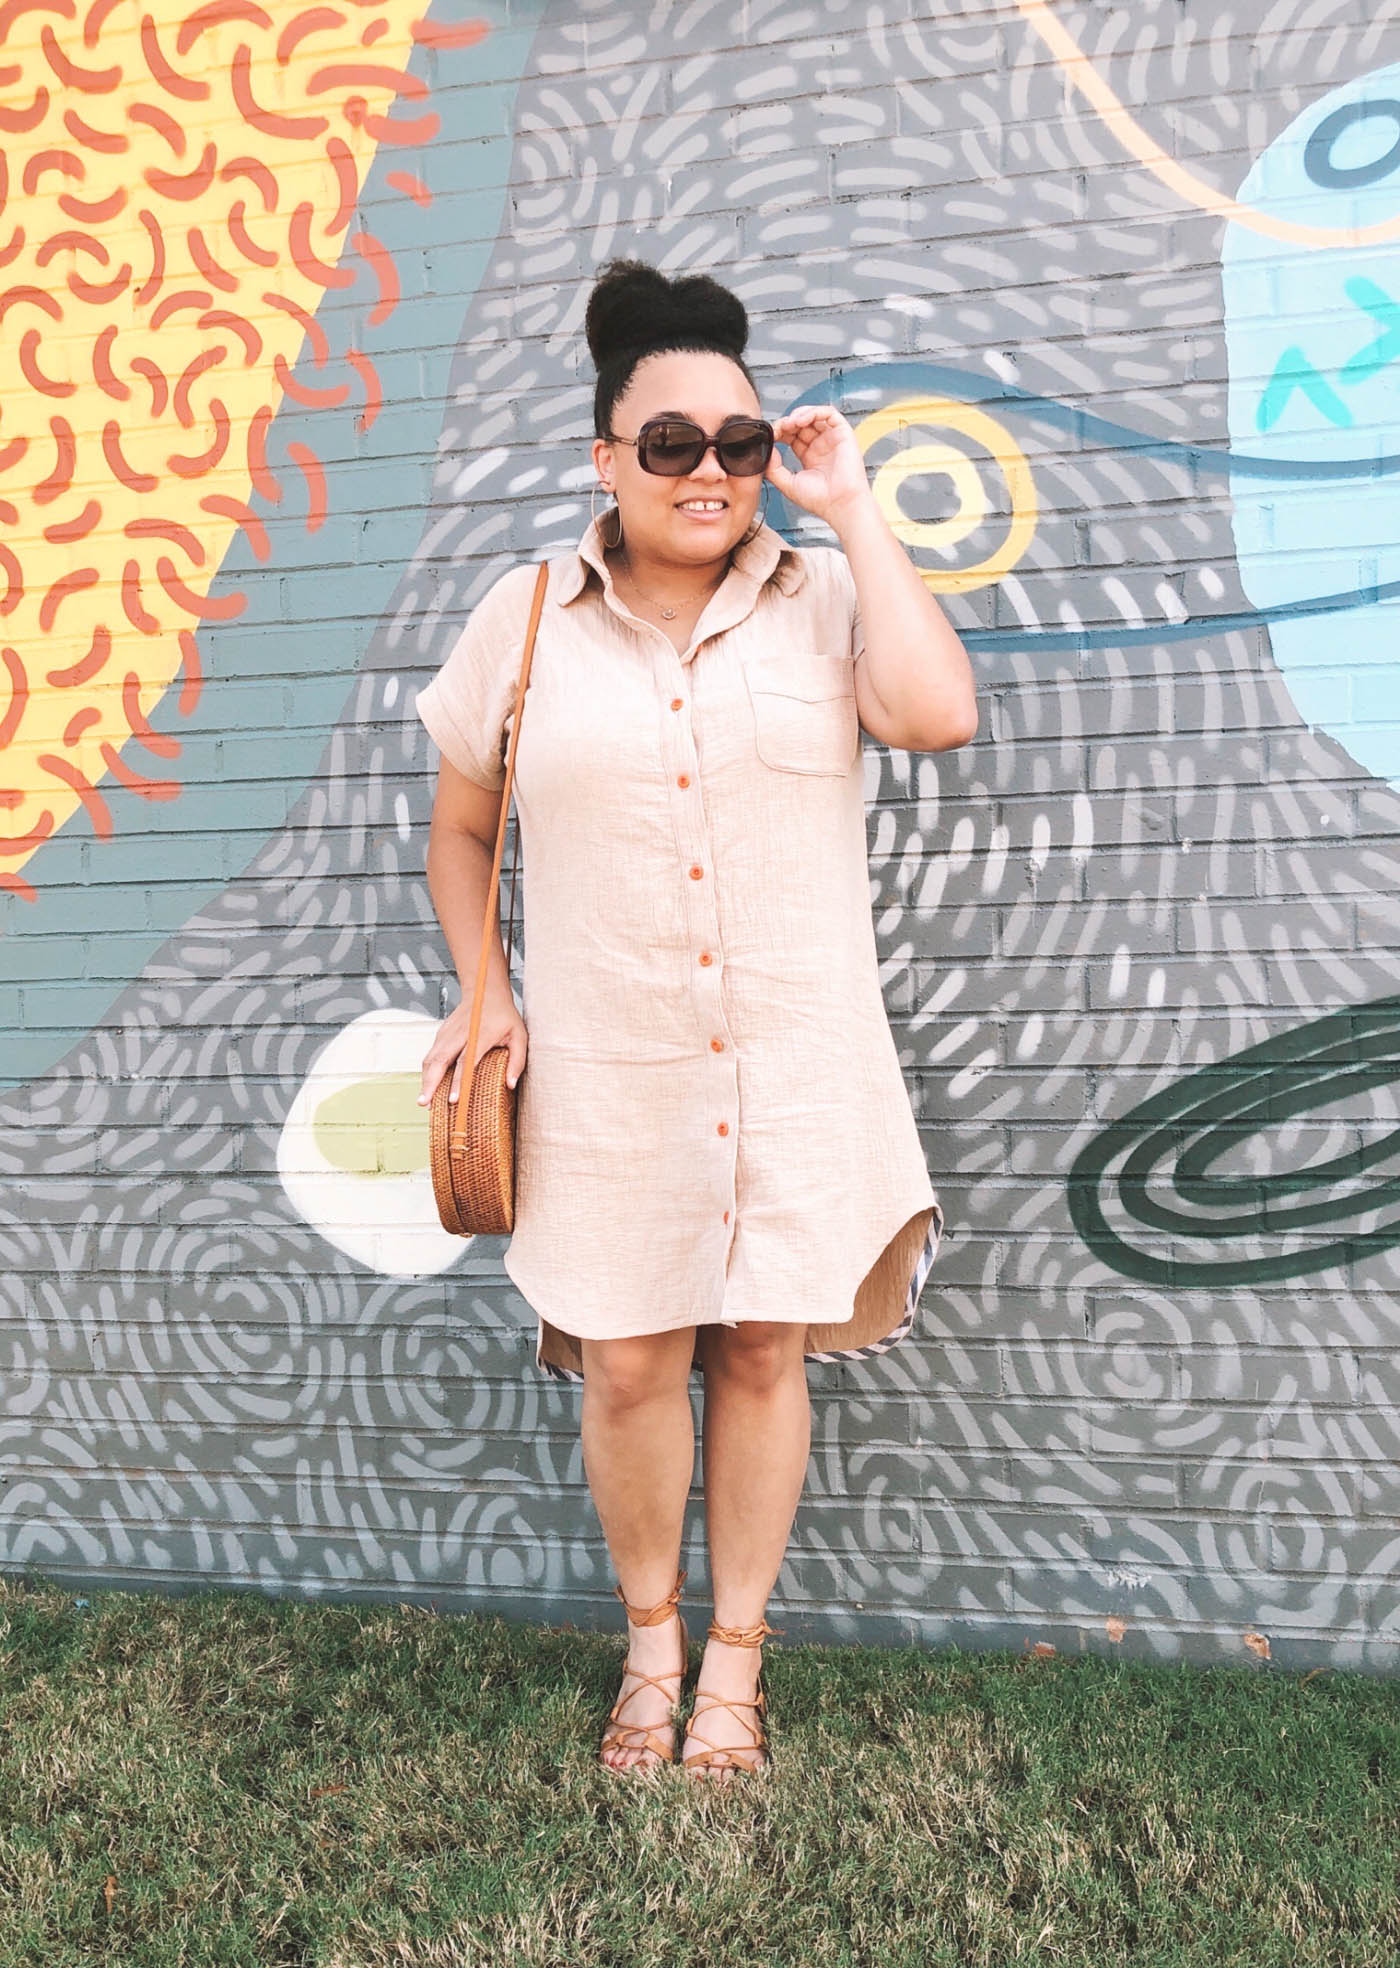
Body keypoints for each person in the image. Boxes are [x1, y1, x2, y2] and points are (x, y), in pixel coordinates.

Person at [414, 257, 977, 1781]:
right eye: (671, 443)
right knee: (628, 1367)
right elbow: (460, 831)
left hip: (796, 1066)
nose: (710, 472)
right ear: (606, 458)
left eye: (737, 443)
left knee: (762, 1357)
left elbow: (936, 714)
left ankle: (736, 1667)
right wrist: (486, 989)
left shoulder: (825, 597)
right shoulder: (522, 618)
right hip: (611, 1067)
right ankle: (651, 1648)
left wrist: (849, 501)